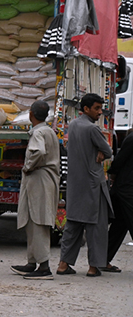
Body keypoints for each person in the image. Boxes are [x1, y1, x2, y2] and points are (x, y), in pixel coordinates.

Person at [56, 93, 114, 277]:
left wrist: (98, 152)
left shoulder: (72, 125)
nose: (100, 112)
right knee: (96, 228)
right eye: (96, 108)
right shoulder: (92, 129)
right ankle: (93, 267)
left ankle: (63, 264)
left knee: (73, 226)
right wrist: (101, 153)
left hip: (75, 184)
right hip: (93, 186)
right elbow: (108, 150)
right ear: (86, 109)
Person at [11, 100, 61, 279]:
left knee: (38, 221)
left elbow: (38, 152)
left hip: (40, 179)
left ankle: (44, 267)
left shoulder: (38, 133)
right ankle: (32, 262)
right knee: (33, 220)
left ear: (31, 114)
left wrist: (28, 166)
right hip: (45, 180)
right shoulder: (48, 131)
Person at [104, 130, 133, 272]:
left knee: (119, 226)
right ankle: (102, 259)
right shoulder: (131, 139)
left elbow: (118, 162)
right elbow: (119, 162)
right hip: (126, 190)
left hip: (125, 189)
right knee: (120, 225)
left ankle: (103, 259)